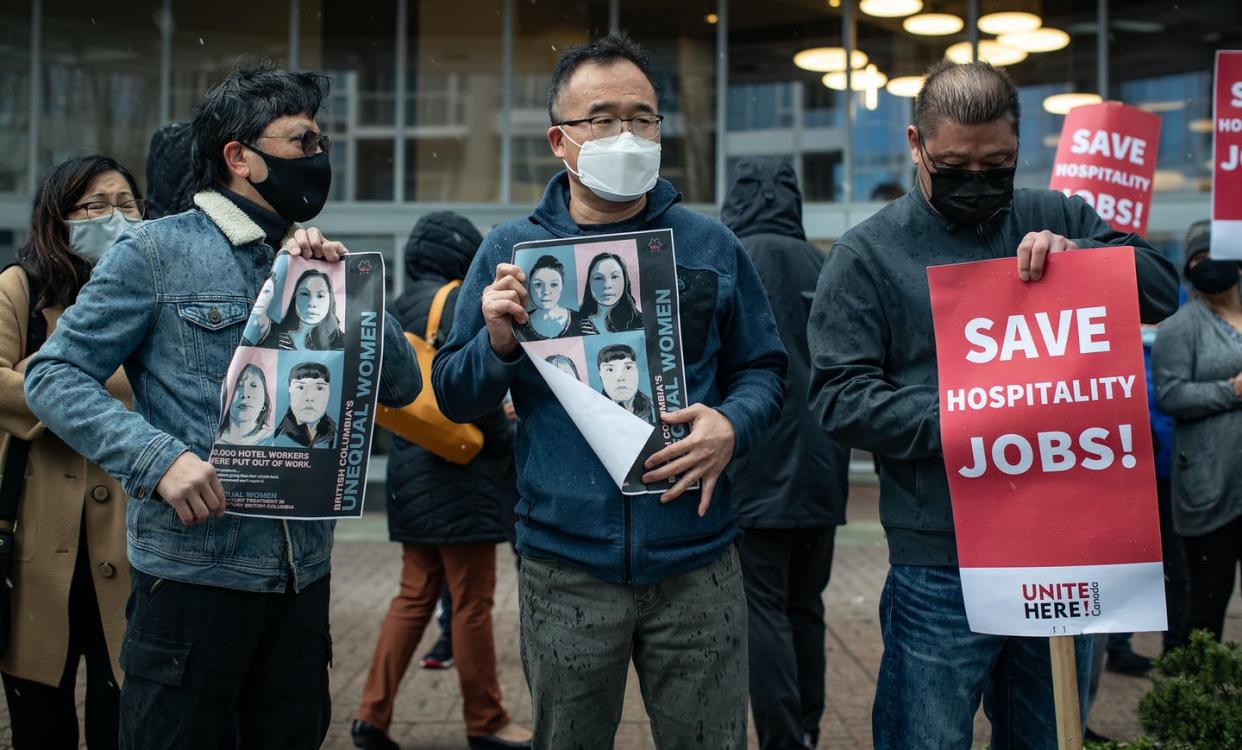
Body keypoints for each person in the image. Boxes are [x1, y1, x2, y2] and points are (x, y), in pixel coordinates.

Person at [22, 63, 421, 750]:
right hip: (194, 583)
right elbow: (53, 376)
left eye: (321, 142)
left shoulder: (314, 261)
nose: (318, 158)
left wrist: (342, 287)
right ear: (240, 158)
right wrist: (157, 459)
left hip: (302, 581)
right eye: (303, 142)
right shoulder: (154, 252)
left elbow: (403, 384)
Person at [807, 60, 1179, 749]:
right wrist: (973, 415)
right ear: (916, 143)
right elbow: (837, 398)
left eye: (996, 165)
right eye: (954, 165)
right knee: (927, 737)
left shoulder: (1055, 214)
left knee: (1046, 734)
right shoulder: (866, 255)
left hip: (1066, 542)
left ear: (1018, 147)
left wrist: (1086, 259)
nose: (976, 182)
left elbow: (1162, 290)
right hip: (942, 556)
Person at [432, 33, 787, 749]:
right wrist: (499, 344)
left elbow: (766, 369)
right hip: (565, 565)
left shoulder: (710, 245)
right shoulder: (508, 251)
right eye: (603, 120)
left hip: (697, 559)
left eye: (644, 118)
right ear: (560, 141)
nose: (626, 135)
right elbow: (452, 393)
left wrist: (732, 424)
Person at [352, 211, 531, 750]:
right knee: (473, 603)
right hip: (462, 473)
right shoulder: (459, 300)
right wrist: (509, 447)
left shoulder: (398, 306)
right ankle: (487, 721)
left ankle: (371, 715)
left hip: (411, 467)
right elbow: (471, 395)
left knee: (413, 596)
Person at [0, 155, 139, 749]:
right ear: (58, 218)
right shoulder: (19, 286)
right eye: (96, 206)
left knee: (124, 714)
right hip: (37, 540)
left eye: (128, 204)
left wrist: (59, 378)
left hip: (128, 540)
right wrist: (72, 385)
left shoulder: (152, 289)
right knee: (41, 724)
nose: (116, 217)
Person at [721, 158, 851, 750]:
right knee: (806, 606)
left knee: (762, 609)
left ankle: (782, 739)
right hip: (823, 464)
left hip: (754, 462)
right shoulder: (824, 264)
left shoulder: (731, 260)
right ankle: (807, 729)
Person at [1151, 224, 1242, 643]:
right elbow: (1171, 395)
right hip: (1211, 487)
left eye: (1213, 255)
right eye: (1197, 259)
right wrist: (1231, 390)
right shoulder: (1180, 326)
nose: (1206, 265)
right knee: (1208, 598)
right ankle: (1192, 696)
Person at [259, 268, 344, 350]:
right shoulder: (271, 333)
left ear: (330, 301)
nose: (312, 303)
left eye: (320, 296)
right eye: (304, 294)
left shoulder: (342, 342)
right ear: (295, 298)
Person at [517, 255, 583, 340]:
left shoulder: (582, 322)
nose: (546, 291)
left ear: (562, 287)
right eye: (538, 284)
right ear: (529, 287)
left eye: (554, 284)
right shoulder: (519, 324)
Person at [272, 362, 336, 449]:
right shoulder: (272, 438)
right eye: (300, 388)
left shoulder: (340, 434)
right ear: (289, 390)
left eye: (319, 388)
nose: (309, 398)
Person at [577, 252, 643, 334]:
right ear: (589, 283)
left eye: (614, 277)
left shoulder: (642, 323)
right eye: (598, 278)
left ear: (625, 281)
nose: (606, 285)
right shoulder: (575, 322)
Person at [595, 343, 655, 424]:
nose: (620, 378)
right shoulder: (594, 410)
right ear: (600, 374)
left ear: (637, 371)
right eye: (610, 370)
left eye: (628, 368)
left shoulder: (653, 406)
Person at [216, 363, 274, 446]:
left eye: (254, 386)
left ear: (264, 401)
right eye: (238, 385)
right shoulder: (213, 440)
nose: (245, 394)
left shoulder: (274, 439)